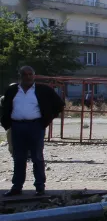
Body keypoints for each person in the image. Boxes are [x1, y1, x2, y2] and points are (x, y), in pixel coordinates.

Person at [0, 66, 65, 197]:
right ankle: (17, 187)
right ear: (20, 76)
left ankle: (40, 187)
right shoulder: (12, 90)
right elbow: (4, 106)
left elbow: (59, 105)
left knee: (37, 157)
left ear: (34, 76)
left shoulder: (43, 90)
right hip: (17, 127)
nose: (28, 77)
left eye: (31, 74)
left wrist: (46, 120)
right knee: (19, 157)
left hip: (35, 126)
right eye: (25, 74)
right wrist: (6, 122)